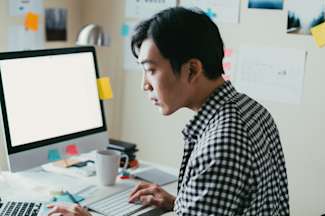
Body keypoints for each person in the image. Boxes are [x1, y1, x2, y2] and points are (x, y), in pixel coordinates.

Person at [48, 7, 290, 216]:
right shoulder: (252, 110)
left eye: (151, 70)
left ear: (192, 70)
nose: (144, 84)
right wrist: (181, 203)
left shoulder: (222, 142)